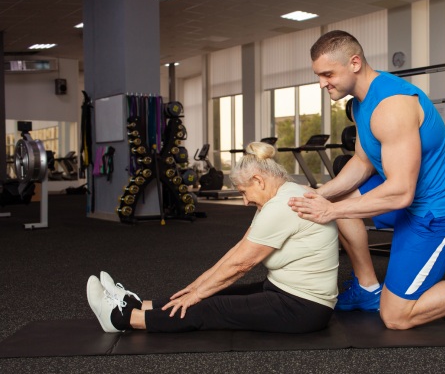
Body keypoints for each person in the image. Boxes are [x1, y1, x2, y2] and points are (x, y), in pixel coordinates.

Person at [288, 30, 445, 329]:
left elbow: (400, 193)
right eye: (318, 75)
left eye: (327, 74)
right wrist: (321, 193)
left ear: (354, 62)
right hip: (406, 199)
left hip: (435, 212)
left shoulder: (391, 107)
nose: (322, 83)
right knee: (337, 198)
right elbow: (362, 161)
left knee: (396, 317)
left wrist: (329, 210)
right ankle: (368, 289)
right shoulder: (358, 104)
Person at [87, 142, 339, 334]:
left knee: (209, 307)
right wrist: (197, 287)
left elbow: (242, 265)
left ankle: (123, 319)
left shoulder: (283, 205)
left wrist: (198, 296)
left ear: (258, 180)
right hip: (283, 290)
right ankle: (140, 304)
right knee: (212, 294)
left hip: (303, 309)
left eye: (243, 192)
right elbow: (240, 249)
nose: (245, 200)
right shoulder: (281, 195)